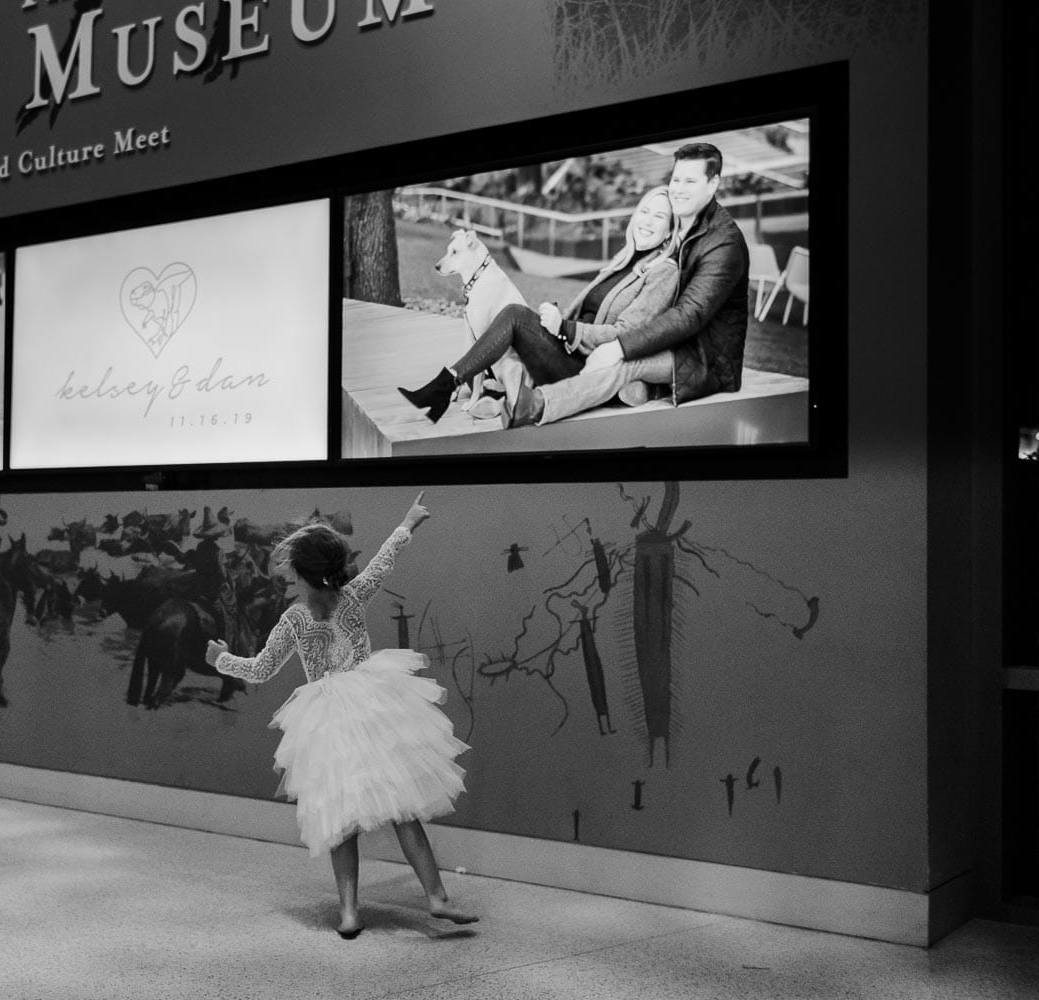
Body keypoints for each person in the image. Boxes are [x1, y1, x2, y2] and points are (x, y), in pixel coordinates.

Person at [205, 492, 476, 939]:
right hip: (375, 706)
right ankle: (436, 897)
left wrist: (221, 658)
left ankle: (350, 912)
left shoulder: (294, 619)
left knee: (340, 818)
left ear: (298, 572)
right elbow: (384, 562)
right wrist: (408, 521)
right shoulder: (352, 597)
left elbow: (261, 669)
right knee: (404, 809)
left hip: (329, 718)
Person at [398, 186, 679, 424]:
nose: (648, 221)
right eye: (644, 211)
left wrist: (568, 328)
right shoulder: (623, 260)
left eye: (659, 216)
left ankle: (449, 387)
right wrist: (556, 322)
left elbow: (627, 333)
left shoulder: (663, 272)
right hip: (569, 348)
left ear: (669, 232)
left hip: (588, 367)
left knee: (514, 314)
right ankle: (475, 389)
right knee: (515, 318)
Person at [520, 142, 751, 425]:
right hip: (668, 339)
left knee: (626, 361)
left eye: (690, 181)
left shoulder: (723, 243)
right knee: (623, 355)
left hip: (702, 357)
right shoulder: (683, 222)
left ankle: (538, 404)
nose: (678, 188)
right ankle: (643, 389)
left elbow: (689, 315)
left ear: (712, 183)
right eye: (676, 179)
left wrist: (619, 347)